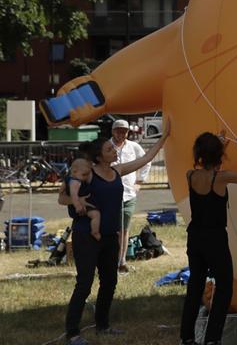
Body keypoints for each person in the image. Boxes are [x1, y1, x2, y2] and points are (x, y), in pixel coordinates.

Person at [60, 117, 170, 345]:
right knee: (85, 283)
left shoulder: (117, 171)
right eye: (109, 149)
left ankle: (103, 325)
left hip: (110, 235)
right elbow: (62, 197)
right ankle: (72, 333)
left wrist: (164, 137)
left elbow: (146, 158)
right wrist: (78, 199)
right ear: (99, 157)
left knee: (109, 281)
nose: (114, 150)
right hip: (86, 236)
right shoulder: (87, 173)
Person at [180, 131, 237, 345]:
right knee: (224, 287)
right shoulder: (221, 177)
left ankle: (187, 337)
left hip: (194, 236)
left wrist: (219, 146)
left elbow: (210, 165)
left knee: (195, 285)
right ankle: (212, 339)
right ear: (219, 156)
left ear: (198, 154)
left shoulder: (190, 175)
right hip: (214, 238)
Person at [110, 118, 150, 273]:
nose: (121, 133)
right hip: (110, 195)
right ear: (113, 131)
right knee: (113, 230)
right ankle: (111, 260)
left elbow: (147, 161)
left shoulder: (134, 147)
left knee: (124, 229)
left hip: (128, 194)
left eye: (124, 131)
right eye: (118, 130)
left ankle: (122, 260)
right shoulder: (107, 146)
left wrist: (140, 181)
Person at [66, 157, 101, 241]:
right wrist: (78, 206)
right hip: (81, 206)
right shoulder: (75, 181)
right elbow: (74, 195)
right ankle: (95, 231)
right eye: (84, 175)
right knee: (96, 215)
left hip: (84, 204)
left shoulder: (77, 180)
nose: (85, 177)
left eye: (87, 174)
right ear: (74, 172)